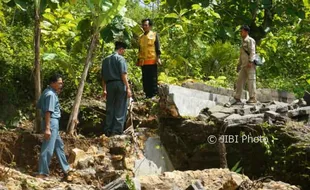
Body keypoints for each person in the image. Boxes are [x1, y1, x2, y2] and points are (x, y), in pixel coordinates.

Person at [36, 73, 73, 179]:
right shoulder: (51, 95)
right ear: (52, 83)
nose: (61, 85)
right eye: (59, 83)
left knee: (59, 145)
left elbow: (39, 105)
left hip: (50, 122)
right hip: (51, 122)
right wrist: (48, 128)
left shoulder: (47, 92)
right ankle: (42, 172)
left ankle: (66, 169)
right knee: (48, 147)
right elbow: (48, 111)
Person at [101, 41, 132, 137]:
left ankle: (108, 130)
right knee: (120, 107)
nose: (124, 52)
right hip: (119, 84)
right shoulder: (120, 59)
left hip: (109, 85)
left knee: (110, 107)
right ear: (121, 49)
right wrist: (128, 88)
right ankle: (116, 131)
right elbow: (123, 74)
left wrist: (104, 89)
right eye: (124, 50)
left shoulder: (105, 60)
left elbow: (103, 77)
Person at [137, 18, 161, 99]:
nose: (144, 26)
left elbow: (157, 47)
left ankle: (153, 95)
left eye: (146, 25)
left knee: (153, 78)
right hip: (143, 62)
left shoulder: (154, 35)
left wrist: (158, 58)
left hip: (152, 61)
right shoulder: (140, 37)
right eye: (143, 25)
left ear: (150, 26)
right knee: (145, 78)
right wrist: (138, 60)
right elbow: (140, 50)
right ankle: (147, 94)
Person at [234, 25, 257, 104]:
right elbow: (242, 54)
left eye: (242, 31)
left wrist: (250, 61)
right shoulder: (242, 41)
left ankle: (252, 98)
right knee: (240, 81)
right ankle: (237, 97)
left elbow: (252, 51)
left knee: (251, 81)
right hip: (244, 65)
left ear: (246, 32)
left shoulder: (250, 40)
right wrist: (239, 64)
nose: (241, 32)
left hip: (250, 65)